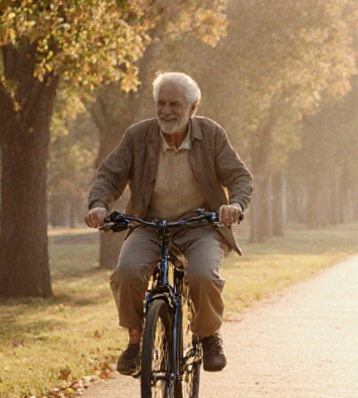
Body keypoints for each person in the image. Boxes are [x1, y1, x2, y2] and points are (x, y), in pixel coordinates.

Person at [85, 72, 253, 376]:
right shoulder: (138, 136)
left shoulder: (211, 135)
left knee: (203, 275)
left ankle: (207, 334)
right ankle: (136, 339)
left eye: (175, 104)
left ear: (193, 107)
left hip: (199, 224)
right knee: (126, 273)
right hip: (149, 224)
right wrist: (98, 205)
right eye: (160, 103)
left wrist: (236, 205)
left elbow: (239, 176)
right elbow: (110, 175)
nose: (166, 111)